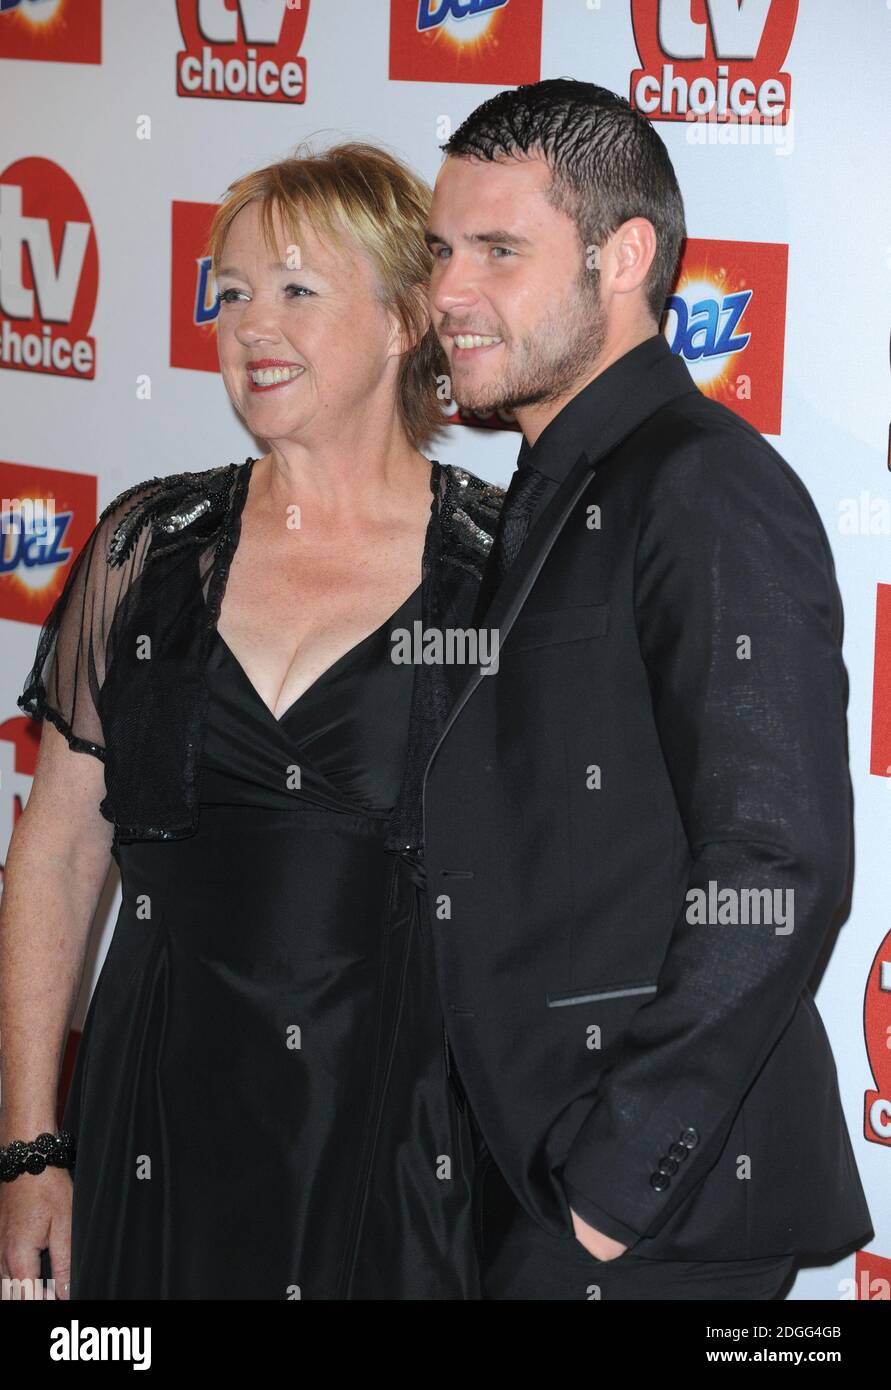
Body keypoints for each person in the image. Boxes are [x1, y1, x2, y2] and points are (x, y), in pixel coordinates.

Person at [0, 141, 503, 1300]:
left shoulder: (499, 573)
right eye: (229, 294)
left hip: (391, 1138)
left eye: (294, 290)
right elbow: (59, 850)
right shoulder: (146, 550)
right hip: (153, 1120)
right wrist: (31, 1146)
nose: (248, 326)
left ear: (402, 321)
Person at [418, 78, 874, 1300]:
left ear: (623, 258)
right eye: (441, 251)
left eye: (498, 251)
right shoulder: (556, 480)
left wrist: (614, 1191)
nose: (449, 293)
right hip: (532, 1179)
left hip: (649, 1217)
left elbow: (777, 868)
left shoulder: (706, 487)